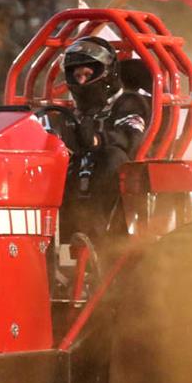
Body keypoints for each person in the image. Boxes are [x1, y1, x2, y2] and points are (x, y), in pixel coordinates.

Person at [55, 36, 149, 237]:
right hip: (78, 184)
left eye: (87, 74)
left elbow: (130, 139)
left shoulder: (129, 102)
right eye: (77, 75)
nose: (81, 81)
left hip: (120, 186)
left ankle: (101, 235)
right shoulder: (72, 113)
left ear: (106, 74)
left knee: (113, 157)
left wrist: (97, 139)